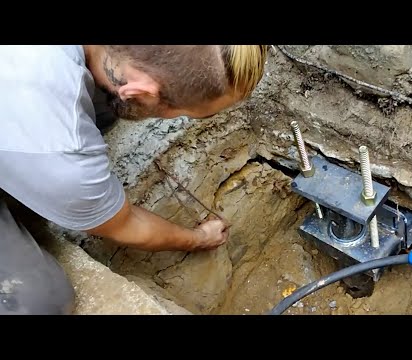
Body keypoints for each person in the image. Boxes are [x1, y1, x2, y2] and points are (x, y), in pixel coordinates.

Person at [0, 45, 268, 315]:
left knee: (105, 108)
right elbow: (124, 224)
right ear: (140, 91)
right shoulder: (60, 140)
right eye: (186, 112)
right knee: (39, 301)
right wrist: (198, 238)